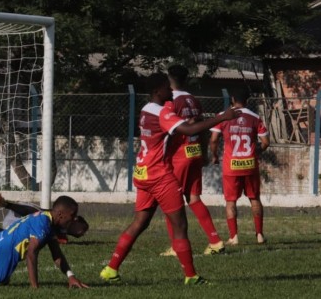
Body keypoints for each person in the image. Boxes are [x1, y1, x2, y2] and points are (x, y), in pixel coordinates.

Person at [99, 73, 240, 285]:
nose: (171, 92)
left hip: (143, 171)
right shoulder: (162, 112)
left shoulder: (146, 109)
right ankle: (191, 276)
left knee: (139, 223)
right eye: (167, 88)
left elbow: (166, 131)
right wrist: (222, 117)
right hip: (160, 176)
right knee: (180, 226)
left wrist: (185, 123)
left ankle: (111, 269)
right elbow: (188, 129)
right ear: (157, 91)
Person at [160, 65, 225, 257]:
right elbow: (202, 127)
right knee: (194, 198)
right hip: (195, 151)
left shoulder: (171, 101)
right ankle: (215, 241)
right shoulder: (194, 100)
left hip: (179, 155)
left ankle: (176, 246)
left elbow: (168, 130)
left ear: (169, 79)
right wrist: (204, 152)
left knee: (170, 202)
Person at [210, 90, 269, 245]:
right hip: (250, 164)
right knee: (254, 198)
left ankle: (234, 236)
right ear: (248, 101)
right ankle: (259, 235)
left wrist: (215, 155)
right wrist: (257, 151)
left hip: (231, 165)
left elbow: (214, 139)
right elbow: (265, 142)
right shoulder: (255, 117)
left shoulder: (223, 115)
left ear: (233, 100)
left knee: (231, 201)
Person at [0, 193, 88, 243]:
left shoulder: (63, 232)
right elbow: (34, 212)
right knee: (38, 215)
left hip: (14, 220)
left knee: (12, 238)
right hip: (19, 211)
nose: (83, 233)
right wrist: (8, 205)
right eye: (84, 229)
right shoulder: (62, 219)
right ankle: (5, 203)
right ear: (77, 220)